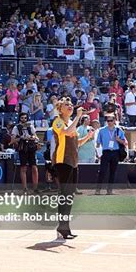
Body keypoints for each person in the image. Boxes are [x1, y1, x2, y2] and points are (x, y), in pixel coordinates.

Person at [52, 98, 90, 240]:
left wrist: (88, 136)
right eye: (66, 105)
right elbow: (67, 133)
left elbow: (77, 142)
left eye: (71, 105)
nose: (70, 106)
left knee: (69, 196)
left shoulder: (70, 123)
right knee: (64, 195)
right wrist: (79, 116)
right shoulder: (57, 121)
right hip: (63, 161)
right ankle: (62, 228)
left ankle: (65, 228)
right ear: (60, 108)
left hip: (73, 162)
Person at [95, 115, 127, 195]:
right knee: (102, 171)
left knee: (113, 172)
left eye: (111, 121)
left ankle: (109, 190)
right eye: (108, 121)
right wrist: (98, 147)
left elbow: (124, 142)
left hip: (115, 152)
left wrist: (118, 139)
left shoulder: (119, 130)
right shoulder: (102, 130)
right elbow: (98, 143)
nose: (109, 122)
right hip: (106, 152)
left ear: (114, 121)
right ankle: (98, 189)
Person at [13, 113, 39, 192]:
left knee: (34, 167)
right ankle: (25, 188)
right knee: (23, 167)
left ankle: (35, 187)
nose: (24, 119)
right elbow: (13, 140)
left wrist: (32, 138)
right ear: (19, 118)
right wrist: (21, 138)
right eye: (22, 118)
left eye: (25, 118)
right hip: (22, 148)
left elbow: (36, 137)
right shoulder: (16, 127)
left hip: (31, 147)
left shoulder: (30, 126)